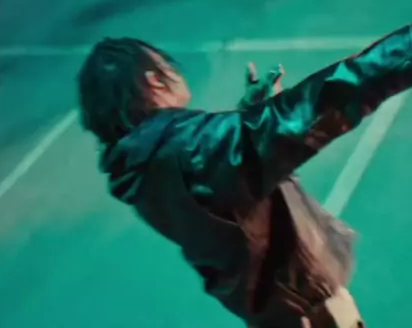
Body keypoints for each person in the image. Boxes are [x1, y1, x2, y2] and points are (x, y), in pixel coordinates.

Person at [78, 24, 412, 327]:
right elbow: (324, 100)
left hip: (274, 314)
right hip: (311, 314)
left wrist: (248, 117)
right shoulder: (196, 150)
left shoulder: (139, 168)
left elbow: (224, 194)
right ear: (154, 80)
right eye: (166, 64)